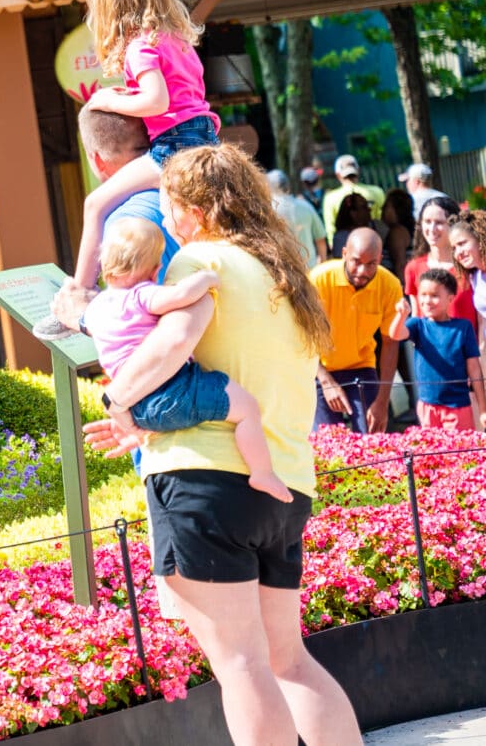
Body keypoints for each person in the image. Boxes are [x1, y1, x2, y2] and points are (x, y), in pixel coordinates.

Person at [84, 146, 361, 746]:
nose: (163, 212)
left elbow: (175, 342)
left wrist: (118, 402)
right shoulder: (285, 274)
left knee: (240, 664)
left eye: (169, 201)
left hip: (205, 479)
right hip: (284, 483)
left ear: (196, 209)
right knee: (289, 661)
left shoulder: (198, 261)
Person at [80, 217, 291, 500]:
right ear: (155, 271)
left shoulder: (95, 310)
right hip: (173, 390)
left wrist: (132, 424)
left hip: (136, 407)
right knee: (247, 408)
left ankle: (138, 432)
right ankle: (262, 473)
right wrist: (208, 278)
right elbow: (181, 295)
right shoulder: (141, 296)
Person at [68, 0, 219, 292]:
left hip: (175, 146)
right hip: (203, 137)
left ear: (112, 3)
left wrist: (108, 99)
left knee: (96, 204)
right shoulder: (177, 40)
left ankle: (81, 291)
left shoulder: (140, 47)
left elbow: (156, 100)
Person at [35, 109, 180, 340]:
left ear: (98, 160)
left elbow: (138, 329)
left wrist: (81, 317)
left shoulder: (122, 224)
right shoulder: (192, 197)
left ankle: (81, 290)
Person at [309, 229, 402, 433]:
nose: (363, 271)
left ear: (380, 259)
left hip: (361, 367)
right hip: (318, 368)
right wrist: (325, 381)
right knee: (328, 442)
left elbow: (390, 342)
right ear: (343, 254)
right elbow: (301, 336)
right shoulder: (317, 279)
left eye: (371, 264)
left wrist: (382, 402)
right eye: (356, 261)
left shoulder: (390, 285)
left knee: (373, 438)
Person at [388, 267, 483, 429]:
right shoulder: (417, 325)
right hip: (427, 405)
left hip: (458, 406)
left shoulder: (463, 327)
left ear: (451, 299)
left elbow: (474, 368)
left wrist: (483, 408)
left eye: (434, 296)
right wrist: (401, 315)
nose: (427, 301)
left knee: (459, 451)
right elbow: (395, 334)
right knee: (431, 451)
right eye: (423, 295)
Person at [267, 168, 327, 267]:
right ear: (288, 186)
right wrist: (323, 263)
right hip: (309, 268)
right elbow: (320, 238)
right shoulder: (305, 206)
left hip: (283, 271)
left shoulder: (268, 210)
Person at [320, 154, 386, 236]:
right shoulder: (377, 191)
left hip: (347, 242)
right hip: (376, 238)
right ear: (358, 170)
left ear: (337, 174)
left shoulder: (330, 198)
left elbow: (330, 230)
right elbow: (383, 219)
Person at [379, 188, 415, 274]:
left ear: (397, 210)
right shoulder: (409, 228)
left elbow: (400, 265)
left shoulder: (397, 232)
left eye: (385, 207)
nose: (382, 210)